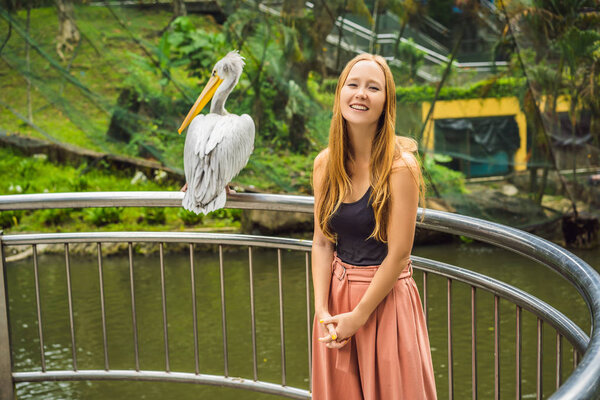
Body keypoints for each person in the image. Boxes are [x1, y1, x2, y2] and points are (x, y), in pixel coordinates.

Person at [311, 53, 437, 399]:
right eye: (353, 85)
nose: (361, 94)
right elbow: (323, 243)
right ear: (340, 94)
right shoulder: (326, 165)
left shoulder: (401, 168)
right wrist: (322, 310)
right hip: (336, 301)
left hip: (384, 301)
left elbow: (398, 255)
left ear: (386, 102)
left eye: (373, 88)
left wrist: (359, 315)